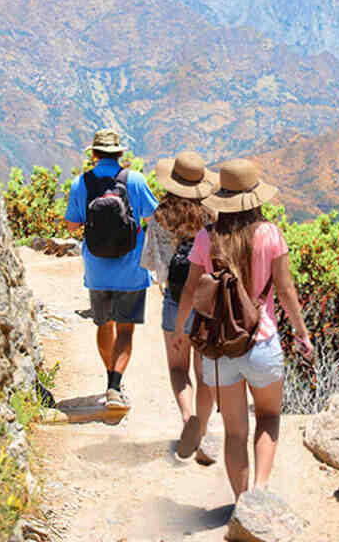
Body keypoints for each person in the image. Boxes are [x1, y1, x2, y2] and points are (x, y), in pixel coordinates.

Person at [176, 158, 314, 499]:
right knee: (268, 418)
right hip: (262, 343)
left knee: (234, 432)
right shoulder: (270, 234)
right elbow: (285, 291)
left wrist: (182, 332)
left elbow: (191, 290)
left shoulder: (206, 238)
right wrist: (302, 333)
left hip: (220, 348)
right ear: (255, 198)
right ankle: (259, 491)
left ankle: (241, 504)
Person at [64, 128, 159, 410]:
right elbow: (154, 216)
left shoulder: (80, 183)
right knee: (125, 330)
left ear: (93, 154)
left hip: (97, 269)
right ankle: (115, 386)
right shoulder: (136, 180)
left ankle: (110, 379)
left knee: (103, 324)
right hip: (131, 268)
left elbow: (71, 224)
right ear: (120, 153)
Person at [140, 151, 216, 458]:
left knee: (177, 367)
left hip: (174, 298)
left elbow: (149, 262)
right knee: (204, 372)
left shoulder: (160, 216)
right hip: (206, 304)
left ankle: (187, 418)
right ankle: (204, 430)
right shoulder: (210, 216)